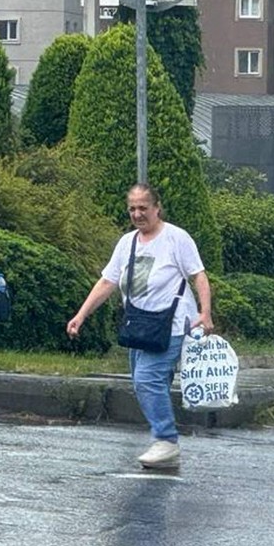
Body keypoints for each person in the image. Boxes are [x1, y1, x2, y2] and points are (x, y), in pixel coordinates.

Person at [67, 183, 214, 468]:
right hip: (139, 325)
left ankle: (166, 440)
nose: (137, 214)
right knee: (143, 381)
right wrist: (81, 315)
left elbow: (199, 276)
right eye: (132, 208)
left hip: (170, 324)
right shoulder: (128, 242)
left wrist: (205, 313)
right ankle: (164, 439)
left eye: (143, 208)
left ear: (157, 208)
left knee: (147, 380)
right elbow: (108, 281)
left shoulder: (176, 238)